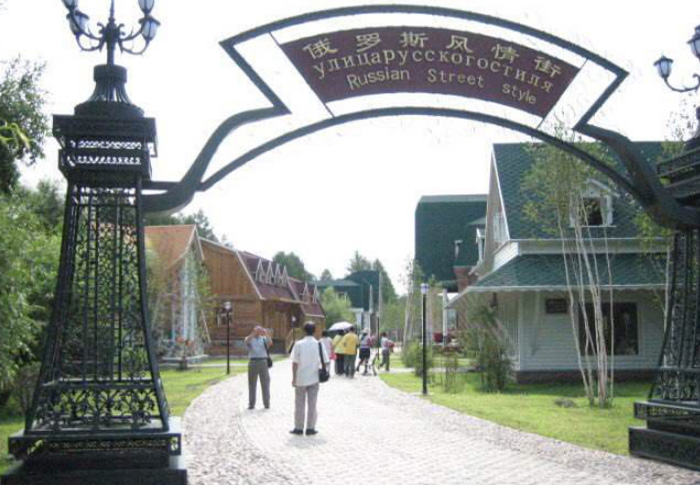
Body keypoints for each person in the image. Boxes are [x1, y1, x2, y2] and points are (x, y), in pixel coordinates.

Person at [291, 322, 330, 436]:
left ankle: (298, 428)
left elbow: (294, 362)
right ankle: (310, 428)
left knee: (299, 404)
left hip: (301, 378)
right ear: (315, 331)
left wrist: (294, 378)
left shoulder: (298, 344)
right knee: (312, 404)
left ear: (304, 330)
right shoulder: (319, 344)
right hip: (314, 378)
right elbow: (326, 361)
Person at [244, 325, 272, 409]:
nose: (258, 331)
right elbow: (246, 341)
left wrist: (266, 333)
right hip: (253, 362)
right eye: (256, 330)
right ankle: (251, 404)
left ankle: (266, 403)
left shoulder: (264, 339)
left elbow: (270, 343)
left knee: (265, 383)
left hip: (263, 362)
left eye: (259, 330)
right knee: (252, 384)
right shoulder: (250, 338)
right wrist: (253, 333)